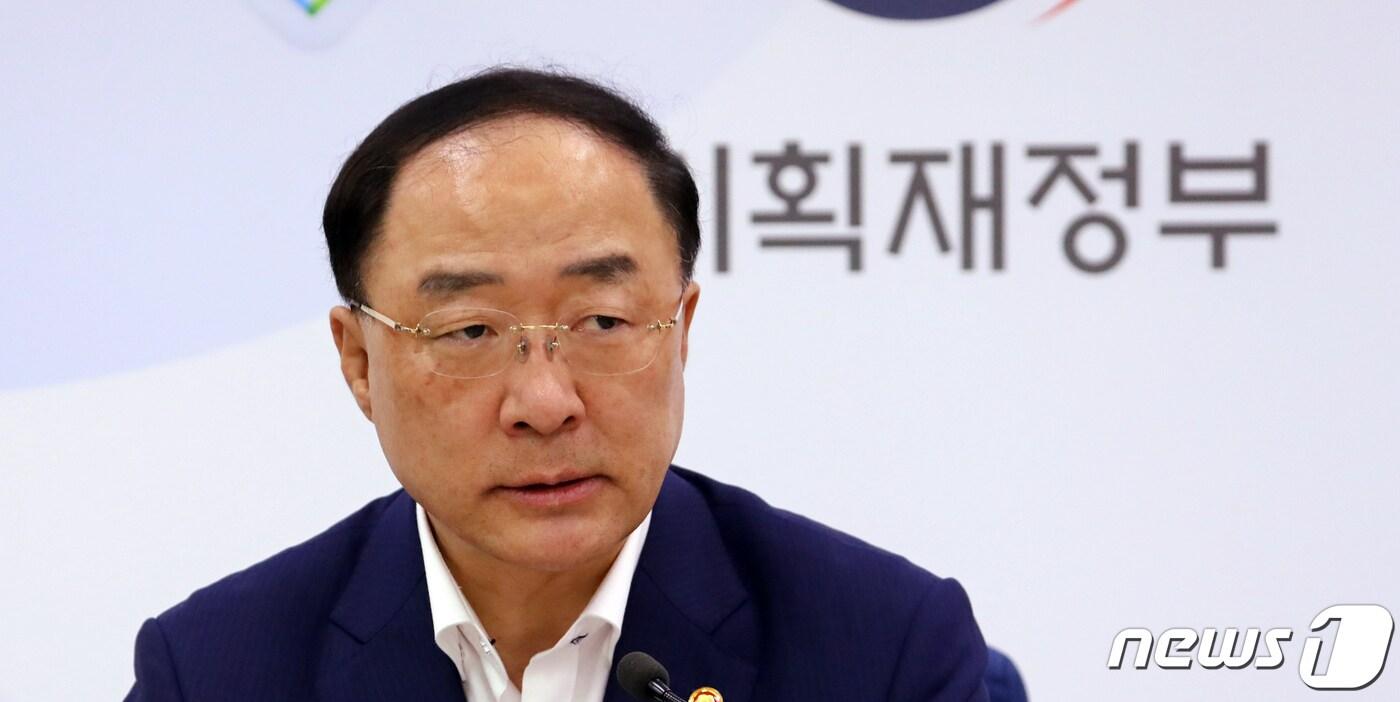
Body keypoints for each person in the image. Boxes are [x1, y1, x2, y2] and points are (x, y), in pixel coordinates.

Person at [125, 67, 1013, 702]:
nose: (546, 404)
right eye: (470, 331)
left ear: (681, 330)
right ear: (359, 361)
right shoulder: (216, 670)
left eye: (603, 322)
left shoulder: (883, 650)